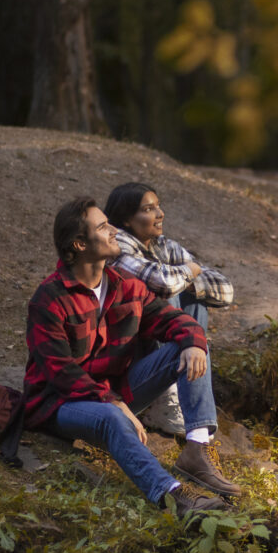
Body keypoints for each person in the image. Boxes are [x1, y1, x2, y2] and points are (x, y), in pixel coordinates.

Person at [22, 197, 241, 516]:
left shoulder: (126, 287)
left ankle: (195, 449)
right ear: (80, 244)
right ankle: (174, 497)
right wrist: (112, 401)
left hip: (116, 395)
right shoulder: (49, 300)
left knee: (188, 342)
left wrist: (194, 340)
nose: (113, 231)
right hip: (60, 404)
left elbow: (172, 320)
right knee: (111, 416)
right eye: (102, 226)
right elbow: (61, 374)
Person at [104, 182, 233, 440]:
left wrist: (186, 280)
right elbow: (163, 284)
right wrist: (190, 271)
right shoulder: (116, 247)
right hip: (132, 362)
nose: (160, 214)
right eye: (149, 209)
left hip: (161, 347)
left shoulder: (163, 246)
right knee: (171, 292)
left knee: (195, 298)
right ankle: (167, 399)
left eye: (158, 206)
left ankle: (182, 392)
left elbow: (226, 290)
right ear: (127, 219)